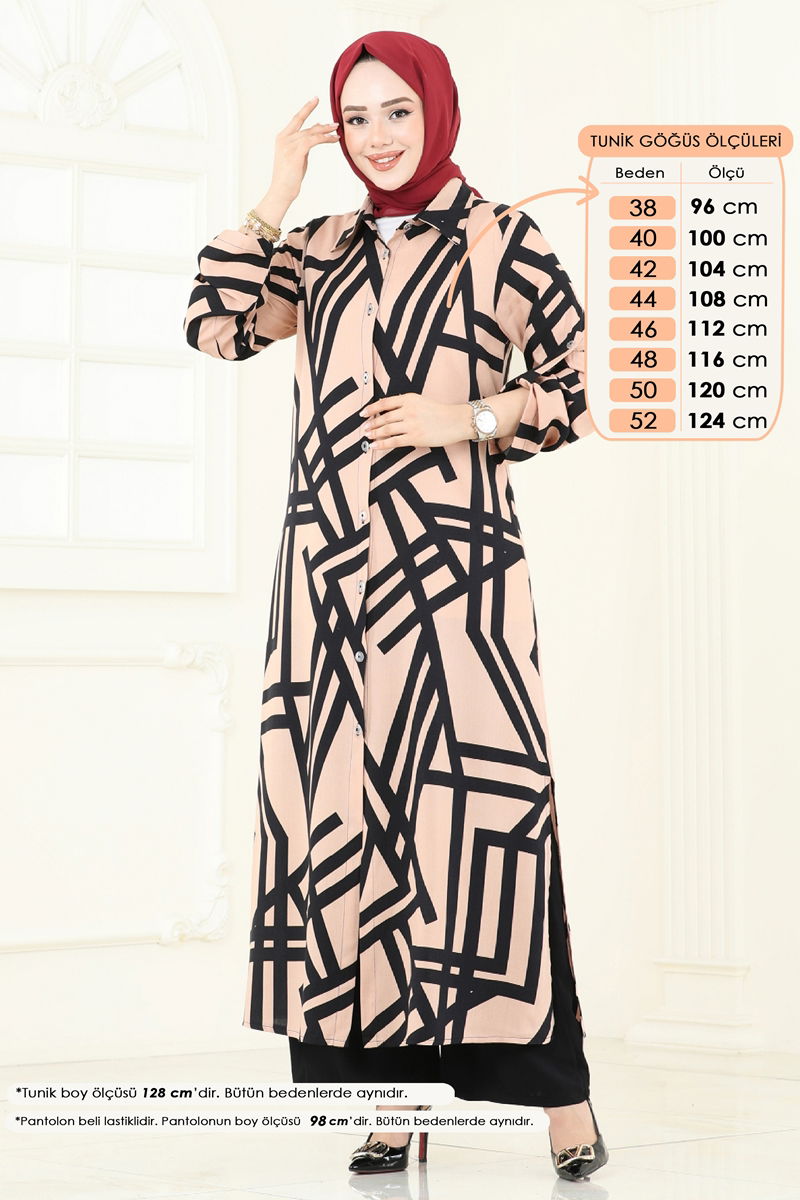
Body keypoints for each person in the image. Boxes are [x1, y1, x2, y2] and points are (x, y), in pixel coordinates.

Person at [183, 28, 608, 1184]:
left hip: (457, 588)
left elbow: (576, 386)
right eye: (355, 117)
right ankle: (391, 1105)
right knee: (344, 835)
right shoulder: (317, 249)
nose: (376, 137)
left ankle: (562, 1106)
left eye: (396, 112)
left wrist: (461, 418)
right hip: (326, 590)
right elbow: (216, 324)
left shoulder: (499, 237)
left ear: (437, 111)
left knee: (485, 834)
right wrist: (275, 190)